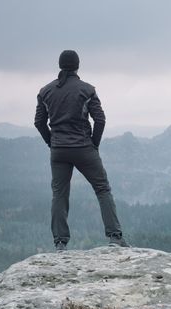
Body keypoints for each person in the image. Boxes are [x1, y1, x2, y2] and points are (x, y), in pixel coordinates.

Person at [34, 50, 128, 251]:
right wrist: (93, 144)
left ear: (60, 65)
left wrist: (52, 142)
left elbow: (39, 122)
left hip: (59, 150)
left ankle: (60, 243)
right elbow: (100, 119)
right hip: (84, 148)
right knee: (102, 189)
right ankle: (115, 237)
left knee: (59, 194)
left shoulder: (45, 91)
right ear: (77, 66)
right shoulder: (87, 90)